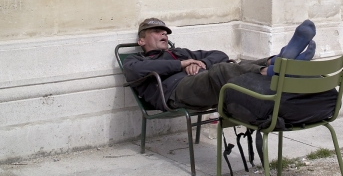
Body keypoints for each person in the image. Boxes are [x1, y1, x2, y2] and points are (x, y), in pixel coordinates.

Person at [124, 18, 316, 111]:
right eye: (157, 31)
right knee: (223, 71)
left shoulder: (179, 52)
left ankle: (276, 61)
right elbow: (134, 71)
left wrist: (201, 64)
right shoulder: (138, 60)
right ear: (141, 41)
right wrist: (183, 64)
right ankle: (275, 67)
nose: (164, 34)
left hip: (202, 81)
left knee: (230, 66)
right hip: (175, 93)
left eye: (165, 32)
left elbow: (219, 54)